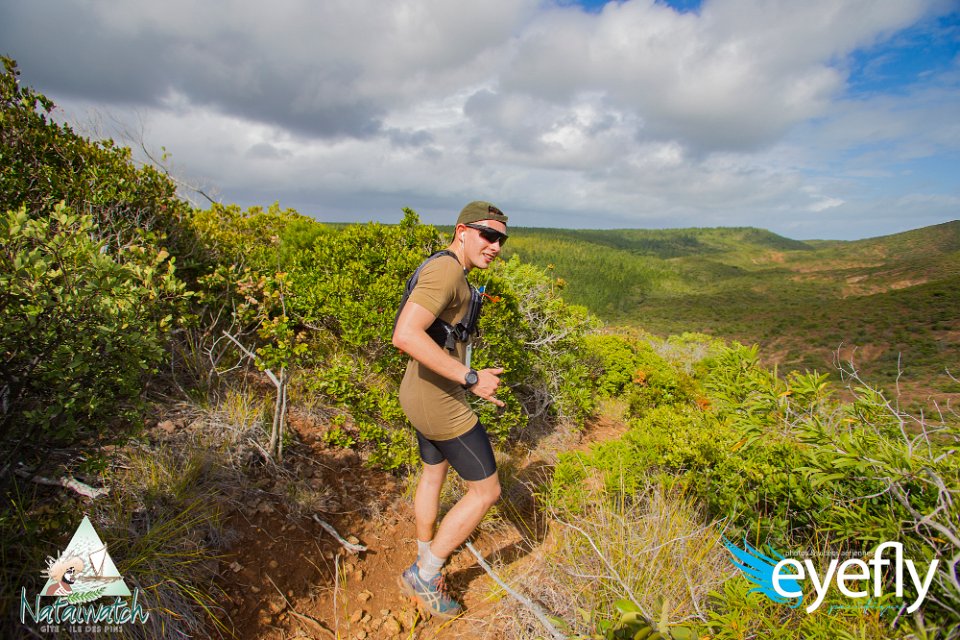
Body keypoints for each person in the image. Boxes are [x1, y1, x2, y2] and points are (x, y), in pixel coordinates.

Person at [392, 201, 509, 618]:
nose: (495, 246)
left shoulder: (453, 270)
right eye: (488, 235)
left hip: (420, 390)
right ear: (462, 231)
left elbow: (435, 336)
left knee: (433, 474)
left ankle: (425, 553)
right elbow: (405, 335)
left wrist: (466, 373)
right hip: (438, 399)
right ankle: (425, 575)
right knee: (486, 492)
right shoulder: (446, 271)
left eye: (502, 239)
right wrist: (471, 378)